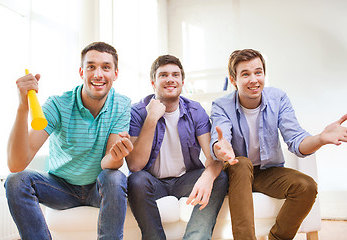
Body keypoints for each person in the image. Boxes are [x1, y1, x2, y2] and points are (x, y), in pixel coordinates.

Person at [210, 48, 347, 240]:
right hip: (236, 172)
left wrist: (320, 139)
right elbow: (220, 139)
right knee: (241, 164)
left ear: (264, 74)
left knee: (306, 186)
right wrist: (221, 147)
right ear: (233, 80)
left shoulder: (278, 98)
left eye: (258, 72)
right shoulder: (221, 105)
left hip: (267, 172)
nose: (253, 79)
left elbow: (296, 140)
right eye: (245, 74)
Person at [4, 42, 133, 240]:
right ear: (82, 71)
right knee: (15, 181)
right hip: (60, 188)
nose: (98, 74)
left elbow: (108, 163)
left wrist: (117, 157)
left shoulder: (122, 104)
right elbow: (16, 164)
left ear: (115, 74)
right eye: (91, 67)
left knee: (115, 177)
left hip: (97, 187)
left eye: (106, 67)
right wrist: (23, 107)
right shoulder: (58, 105)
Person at [126, 54, 228, 240]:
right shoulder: (138, 111)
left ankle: (195, 238)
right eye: (163, 75)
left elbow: (212, 159)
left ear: (182, 81)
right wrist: (151, 118)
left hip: (185, 181)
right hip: (153, 182)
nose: (170, 79)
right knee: (135, 180)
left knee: (219, 176)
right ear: (153, 83)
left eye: (175, 75)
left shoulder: (195, 111)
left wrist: (208, 174)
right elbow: (134, 166)